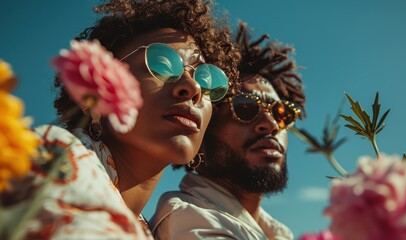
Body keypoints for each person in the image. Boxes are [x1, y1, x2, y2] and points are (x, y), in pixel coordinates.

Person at [1, 0, 240, 239]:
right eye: (161, 63)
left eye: (208, 79)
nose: (193, 87)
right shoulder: (50, 156)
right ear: (96, 85)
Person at [150, 23, 306, 239]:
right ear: (202, 130)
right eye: (245, 107)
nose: (270, 124)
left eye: (282, 113)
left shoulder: (276, 232)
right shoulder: (191, 222)